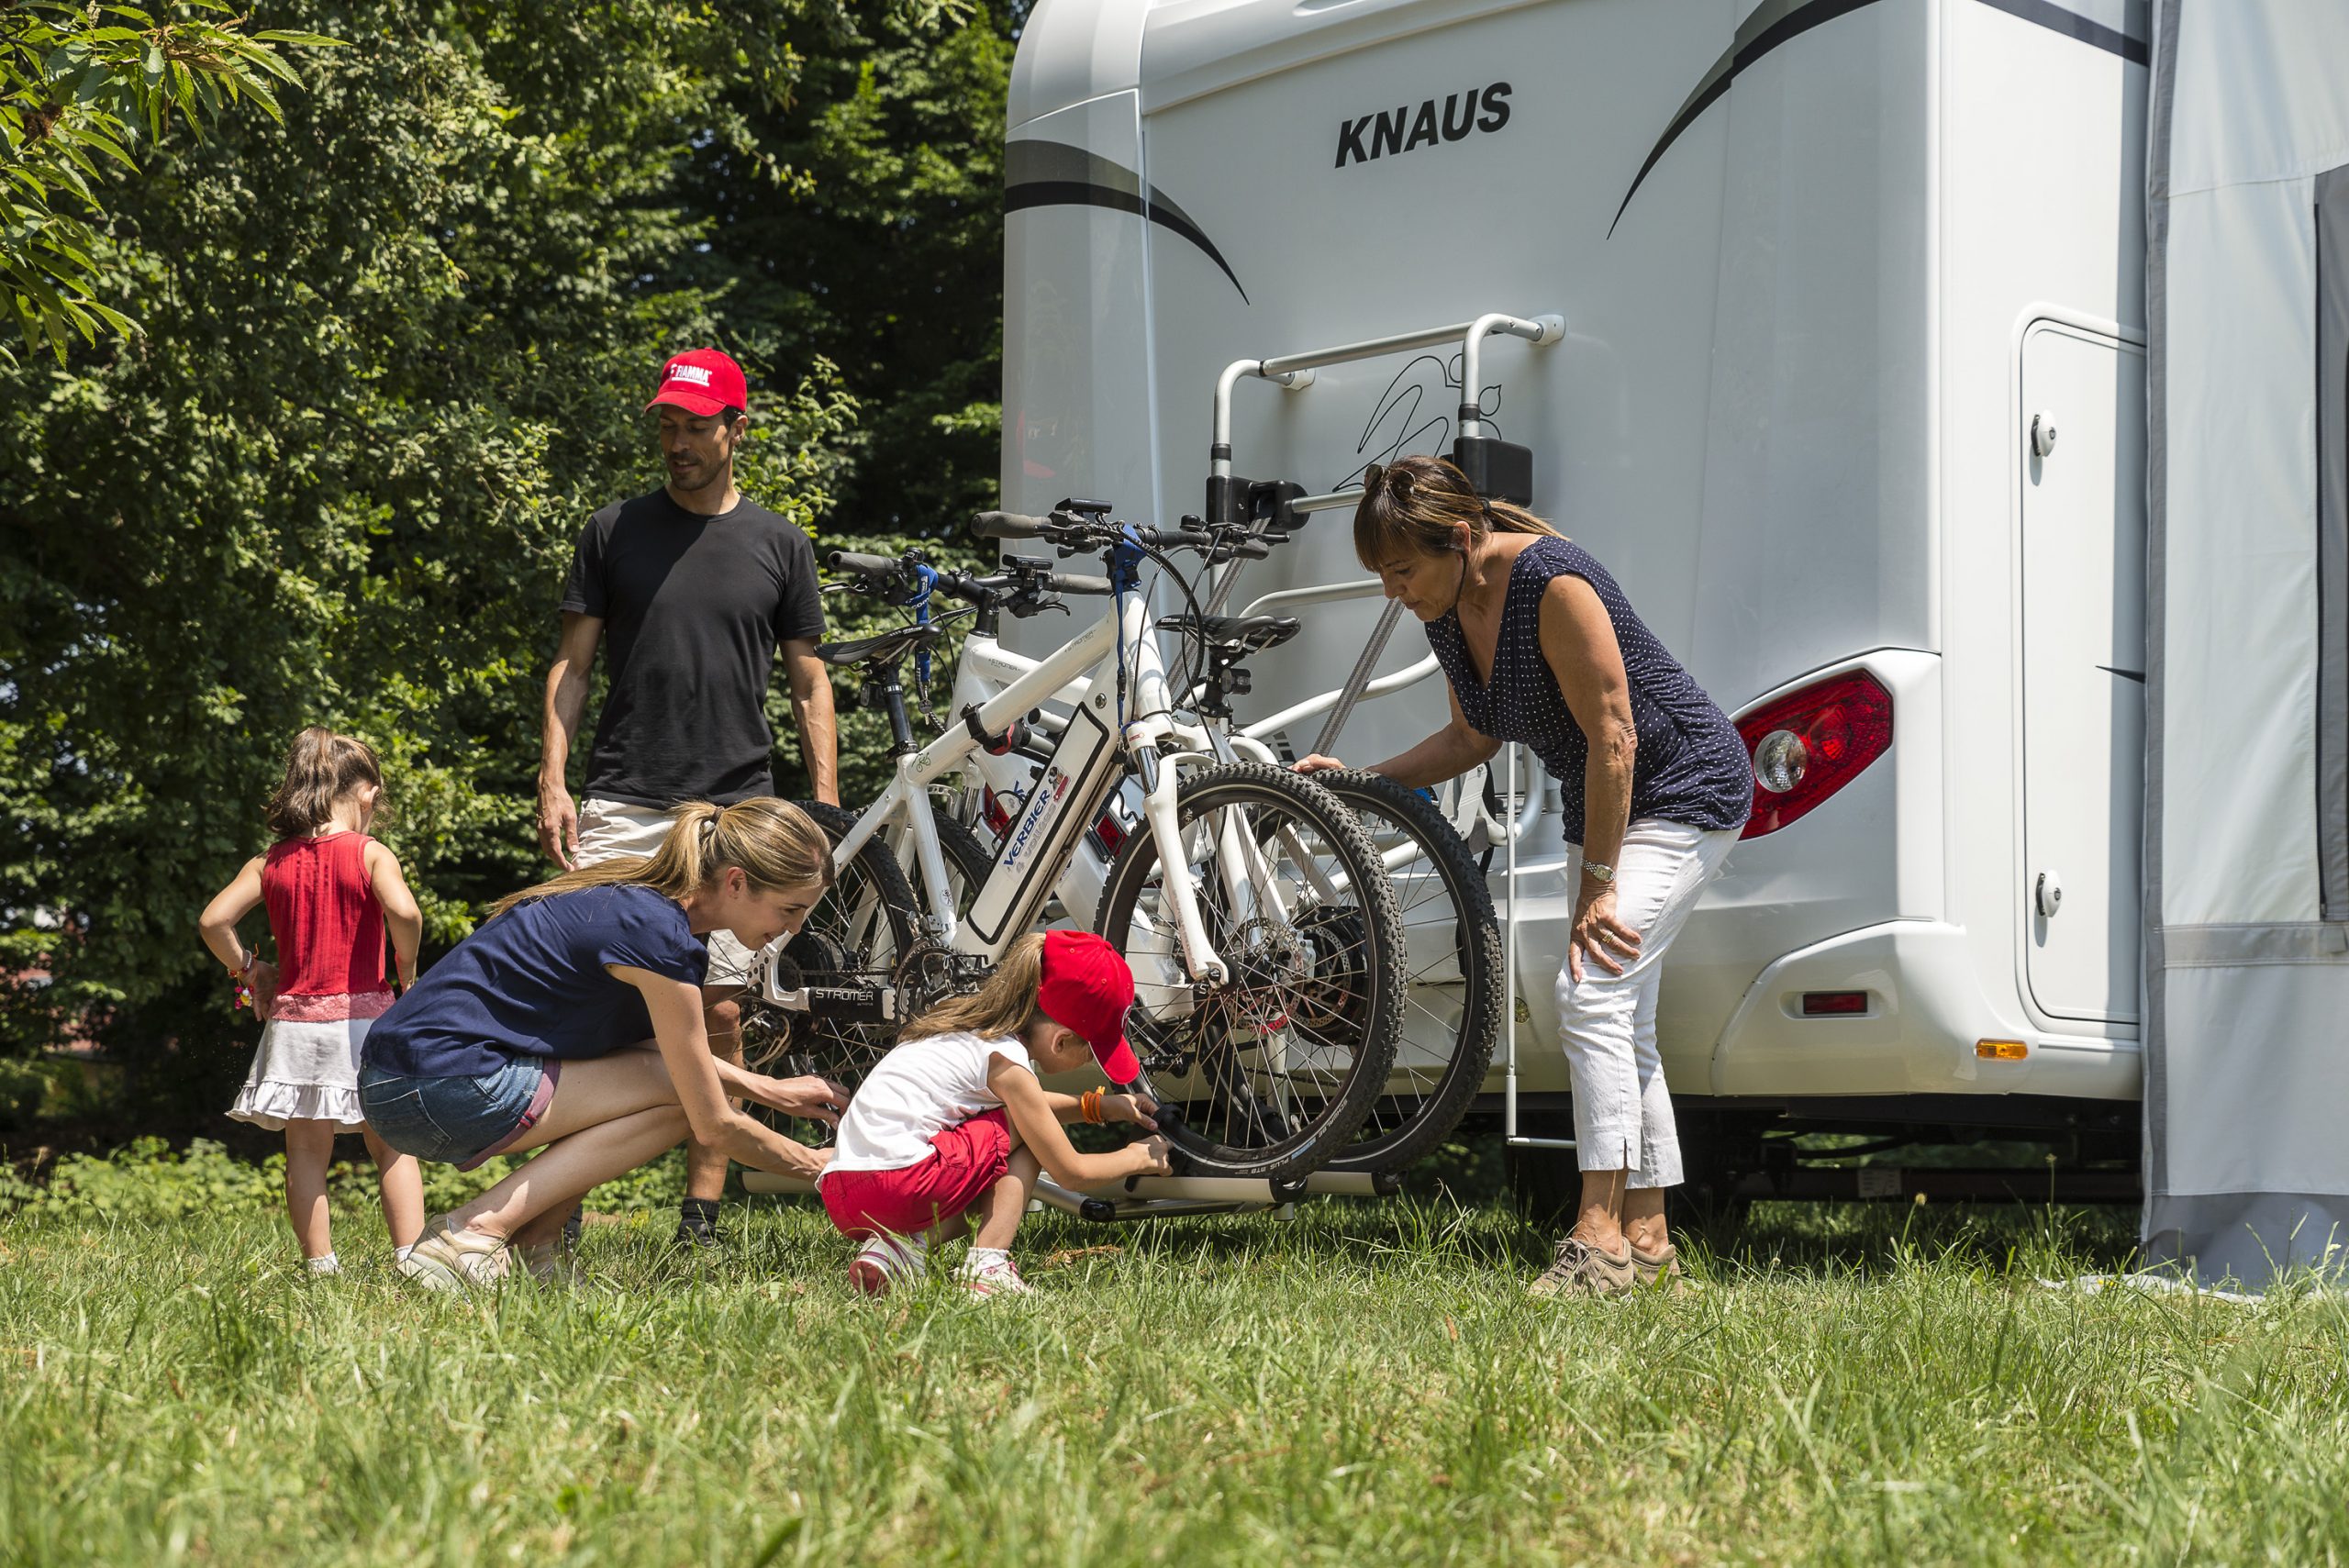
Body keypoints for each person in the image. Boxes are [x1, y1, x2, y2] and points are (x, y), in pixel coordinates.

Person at [1296, 456, 1752, 1299]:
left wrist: (1598, 886)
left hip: (1685, 785)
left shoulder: (1551, 582)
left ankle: (1598, 1238)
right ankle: (1650, 1247)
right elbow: (1470, 739)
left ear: (1462, 539)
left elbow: (1615, 736)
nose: (1392, 591)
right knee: (1623, 1013)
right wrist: (1361, 779)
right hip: (1611, 806)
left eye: (1402, 569)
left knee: (1587, 989)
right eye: (1380, 575)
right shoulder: (1447, 607)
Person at [535, 347, 839, 1249]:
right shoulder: (614, 529)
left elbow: (809, 682)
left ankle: (700, 1216)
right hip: (624, 798)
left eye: (695, 426)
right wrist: (553, 779)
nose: (677, 442)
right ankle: (560, 1209)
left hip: (735, 811)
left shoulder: (780, 542)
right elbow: (572, 664)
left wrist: (819, 804)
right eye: (667, 424)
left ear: (736, 429)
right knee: (589, 1006)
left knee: (718, 1011)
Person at [358, 798, 849, 1289]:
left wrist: (769, 1089)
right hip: (439, 1085)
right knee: (690, 1103)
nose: (795, 928)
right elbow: (713, 1121)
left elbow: (659, 1059)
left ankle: (539, 1252)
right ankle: (472, 1232)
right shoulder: (659, 938)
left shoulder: (641, 906)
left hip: (401, 1083)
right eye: (790, 909)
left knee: (674, 1088)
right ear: (737, 882)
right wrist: (821, 1167)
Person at [819, 930, 1174, 1298]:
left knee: (1013, 1130)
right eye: (1093, 1052)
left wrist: (1098, 1107)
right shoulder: (1009, 1063)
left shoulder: (965, 1031)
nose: (1094, 1062)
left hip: (842, 1190)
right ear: (1061, 1040)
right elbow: (1072, 1172)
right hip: (902, 1184)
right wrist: (1140, 1157)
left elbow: (1015, 1109)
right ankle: (987, 1267)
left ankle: (901, 1249)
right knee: (1035, 1136)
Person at [197, 728, 426, 1274]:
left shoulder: (269, 861)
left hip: (294, 1026)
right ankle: (413, 1261)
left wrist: (251, 971)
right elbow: (407, 914)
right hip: (364, 1021)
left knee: (304, 1154)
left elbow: (213, 921)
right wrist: (408, 971)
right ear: (368, 793)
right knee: (392, 1145)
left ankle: (320, 1268)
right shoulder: (371, 853)